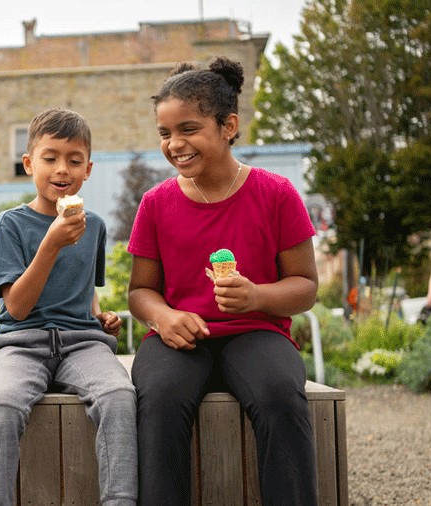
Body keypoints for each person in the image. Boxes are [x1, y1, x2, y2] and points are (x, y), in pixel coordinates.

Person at [127, 57, 319, 505]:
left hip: (257, 332)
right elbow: (140, 290)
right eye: (165, 133)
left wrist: (256, 295)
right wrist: (164, 316)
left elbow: (306, 287)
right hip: (179, 339)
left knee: (280, 397)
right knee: (156, 399)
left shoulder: (276, 194)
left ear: (228, 125)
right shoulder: (156, 203)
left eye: (188, 129)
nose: (175, 144)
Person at [0, 108, 138, 506]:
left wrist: (100, 315)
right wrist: (50, 244)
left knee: (119, 396)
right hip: (20, 344)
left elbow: (86, 287)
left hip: (82, 344)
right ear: (29, 163)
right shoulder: (9, 226)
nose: (61, 169)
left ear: (89, 169)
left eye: (74, 159)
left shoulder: (94, 226)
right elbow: (15, 307)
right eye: (50, 158)